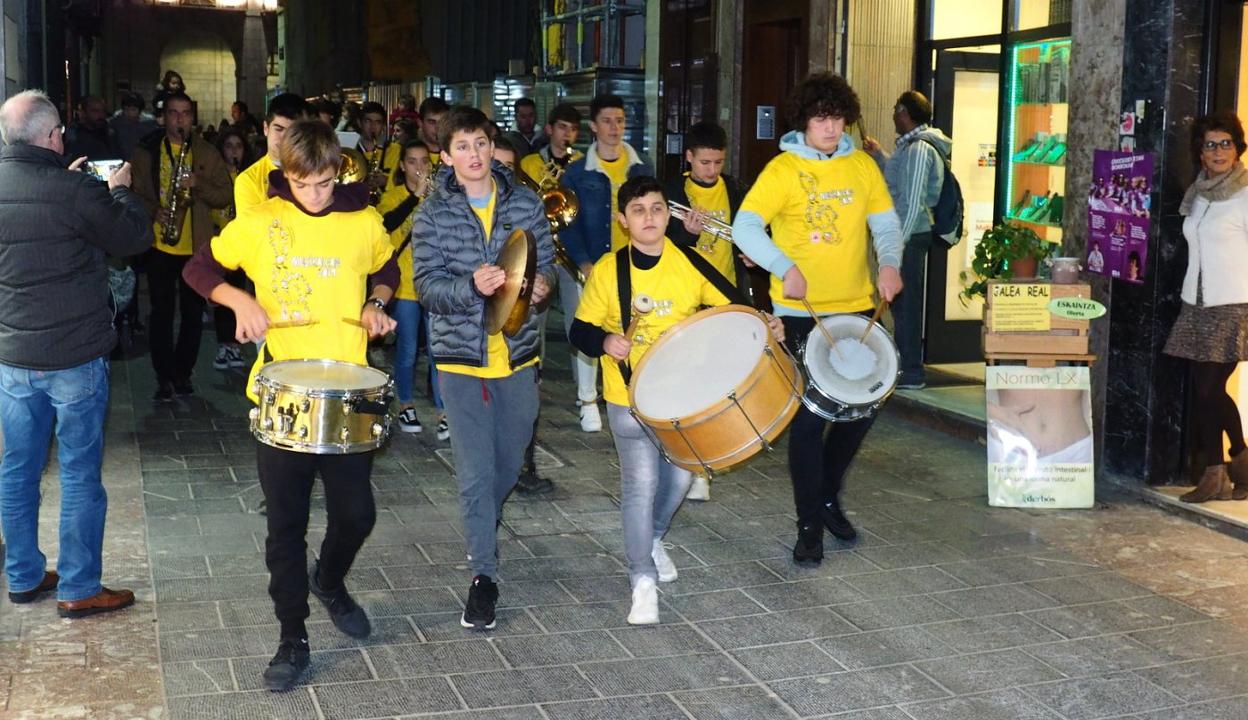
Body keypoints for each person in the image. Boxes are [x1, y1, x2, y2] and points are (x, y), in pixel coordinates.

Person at [182, 119, 398, 691]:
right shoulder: (260, 221)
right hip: (281, 393)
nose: (316, 195)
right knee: (286, 524)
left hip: (349, 390)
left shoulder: (361, 219)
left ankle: (328, 581)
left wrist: (377, 302)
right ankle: (292, 637)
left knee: (357, 514)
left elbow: (387, 264)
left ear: (338, 171)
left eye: (326, 183)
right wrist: (236, 299)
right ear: (286, 175)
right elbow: (199, 267)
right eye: (304, 185)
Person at [571, 176, 783, 623]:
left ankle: (651, 537)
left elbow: (732, 306)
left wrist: (766, 322)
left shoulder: (688, 261)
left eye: (657, 209)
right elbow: (579, 331)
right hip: (627, 397)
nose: (649, 218)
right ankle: (641, 579)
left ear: (669, 216)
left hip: (683, 397)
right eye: (638, 211)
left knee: (684, 479)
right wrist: (607, 341)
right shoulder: (611, 270)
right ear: (623, 220)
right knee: (641, 485)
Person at [733, 72, 903, 566]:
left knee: (865, 405)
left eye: (837, 118)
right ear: (805, 122)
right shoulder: (783, 170)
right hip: (801, 313)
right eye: (820, 119)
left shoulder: (863, 167)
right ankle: (809, 523)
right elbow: (745, 226)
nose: (830, 128)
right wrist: (784, 267)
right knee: (810, 420)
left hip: (856, 308)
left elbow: (886, 225)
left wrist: (889, 263)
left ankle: (827, 493)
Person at [0, 89, 152, 616]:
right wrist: (118, 191)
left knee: (19, 469)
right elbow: (132, 238)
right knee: (80, 472)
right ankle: (79, 587)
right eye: (60, 131)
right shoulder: (74, 191)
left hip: (14, 356)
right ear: (49, 136)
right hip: (74, 358)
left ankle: (21, 575)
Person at [411, 106, 555, 630]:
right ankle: (483, 577)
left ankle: (481, 529)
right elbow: (427, 287)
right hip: (459, 358)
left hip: (518, 354)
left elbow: (547, 269)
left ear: (492, 147)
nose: (474, 155)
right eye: (463, 147)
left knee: (508, 463)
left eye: (481, 144)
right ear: (445, 156)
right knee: (474, 473)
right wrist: (470, 287)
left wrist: (540, 290)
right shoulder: (431, 214)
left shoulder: (525, 201)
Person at [661, 120, 748, 502]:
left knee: (719, 383)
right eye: (705, 163)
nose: (712, 170)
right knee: (688, 383)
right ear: (689, 158)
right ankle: (689, 462)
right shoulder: (671, 192)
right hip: (686, 299)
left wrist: (753, 253)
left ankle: (706, 465)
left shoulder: (734, 189)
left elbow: (751, 231)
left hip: (727, 296)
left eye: (718, 162)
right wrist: (689, 233)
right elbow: (659, 242)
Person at [1164, 116, 1248, 503]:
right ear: (1201, 152)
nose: (1218, 152)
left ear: (1238, 148)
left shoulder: (1245, 194)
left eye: (1226, 144)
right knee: (1206, 391)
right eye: (1211, 145)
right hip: (1195, 302)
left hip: (1233, 304)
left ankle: (1226, 467)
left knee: (1209, 388)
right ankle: (1231, 466)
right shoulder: (1198, 193)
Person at [560, 94, 655, 433]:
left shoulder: (641, 167)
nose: (614, 128)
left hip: (632, 263)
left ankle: (633, 391)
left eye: (620, 121)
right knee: (590, 328)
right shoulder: (576, 172)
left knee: (631, 329)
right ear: (593, 127)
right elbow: (565, 222)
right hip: (594, 264)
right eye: (607, 121)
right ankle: (588, 399)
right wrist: (583, 262)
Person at [131, 91, 234, 401]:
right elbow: (133, 192)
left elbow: (226, 194)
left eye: (185, 113)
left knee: (192, 315)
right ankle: (163, 375)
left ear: (193, 117)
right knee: (161, 314)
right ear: (164, 117)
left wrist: (197, 186)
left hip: (196, 249)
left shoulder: (206, 152)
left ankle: (183, 372)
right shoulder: (147, 151)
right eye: (174, 113)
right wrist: (153, 211)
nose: (179, 119)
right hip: (161, 246)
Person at [864, 91, 951, 391]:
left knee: (908, 304)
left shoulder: (918, 149)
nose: (891, 116)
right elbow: (900, 180)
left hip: (910, 236)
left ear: (904, 112)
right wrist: (879, 155)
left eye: (894, 110)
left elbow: (912, 202)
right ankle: (904, 366)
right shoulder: (912, 147)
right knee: (901, 304)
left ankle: (911, 371)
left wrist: (895, 250)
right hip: (909, 234)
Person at [493, 136, 554, 495]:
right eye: (494, 164)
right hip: (480, 323)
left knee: (527, 393)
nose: (500, 172)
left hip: (523, 319)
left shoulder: (527, 206)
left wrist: (545, 283)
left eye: (507, 167)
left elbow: (545, 261)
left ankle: (524, 464)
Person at [376, 139, 434, 433]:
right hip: (406, 286)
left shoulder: (440, 196)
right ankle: (406, 404)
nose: (419, 167)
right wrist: (415, 198)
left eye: (424, 161)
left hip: (434, 284)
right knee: (409, 348)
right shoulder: (394, 195)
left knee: (438, 350)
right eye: (412, 161)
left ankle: (446, 412)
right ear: (402, 165)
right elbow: (386, 223)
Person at [210, 127, 253, 371]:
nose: (234, 150)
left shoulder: (247, 176)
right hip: (221, 237)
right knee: (222, 294)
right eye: (229, 146)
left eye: (239, 146)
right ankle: (223, 343)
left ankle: (236, 343)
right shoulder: (218, 174)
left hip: (243, 241)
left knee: (240, 291)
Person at [236, 93, 312, 214]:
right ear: (266, 128)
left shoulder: (317, 173)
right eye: (279, 129)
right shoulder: (249, 180)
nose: (285, 138)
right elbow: (255, 230)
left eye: (293, 131)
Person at [519, 102, 583, 184]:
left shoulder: (583, 164)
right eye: (562, 127)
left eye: (574, 129)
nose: (568, 134)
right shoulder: (528, 164)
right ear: (549, 129)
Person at [357, 101, 401, 199]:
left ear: (383, 126)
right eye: (368, 121)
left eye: (378, 122)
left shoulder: (396, 150)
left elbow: (403, 184)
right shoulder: (351, 150)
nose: (373, 127)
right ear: (359, 123)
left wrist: (387, 180)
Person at [64, 95, 116, 160]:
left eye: (103, 111)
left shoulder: (109, 132)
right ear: (83, 113)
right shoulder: (74, 135)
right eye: (95, 111)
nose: (100, 115)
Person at [109, 93, 157, 161]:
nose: (129, 112)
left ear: (140, 110)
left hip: (142, 160)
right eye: (126, 109)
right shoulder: (116, 121)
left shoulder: (149, 122)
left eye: (133, 109)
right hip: (121, 159)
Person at [418, 96, 450, 166]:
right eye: (432, 122)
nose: (438, 128)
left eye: (442, 122)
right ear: (420, 123)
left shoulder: (455, 155)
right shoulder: (408, 152)